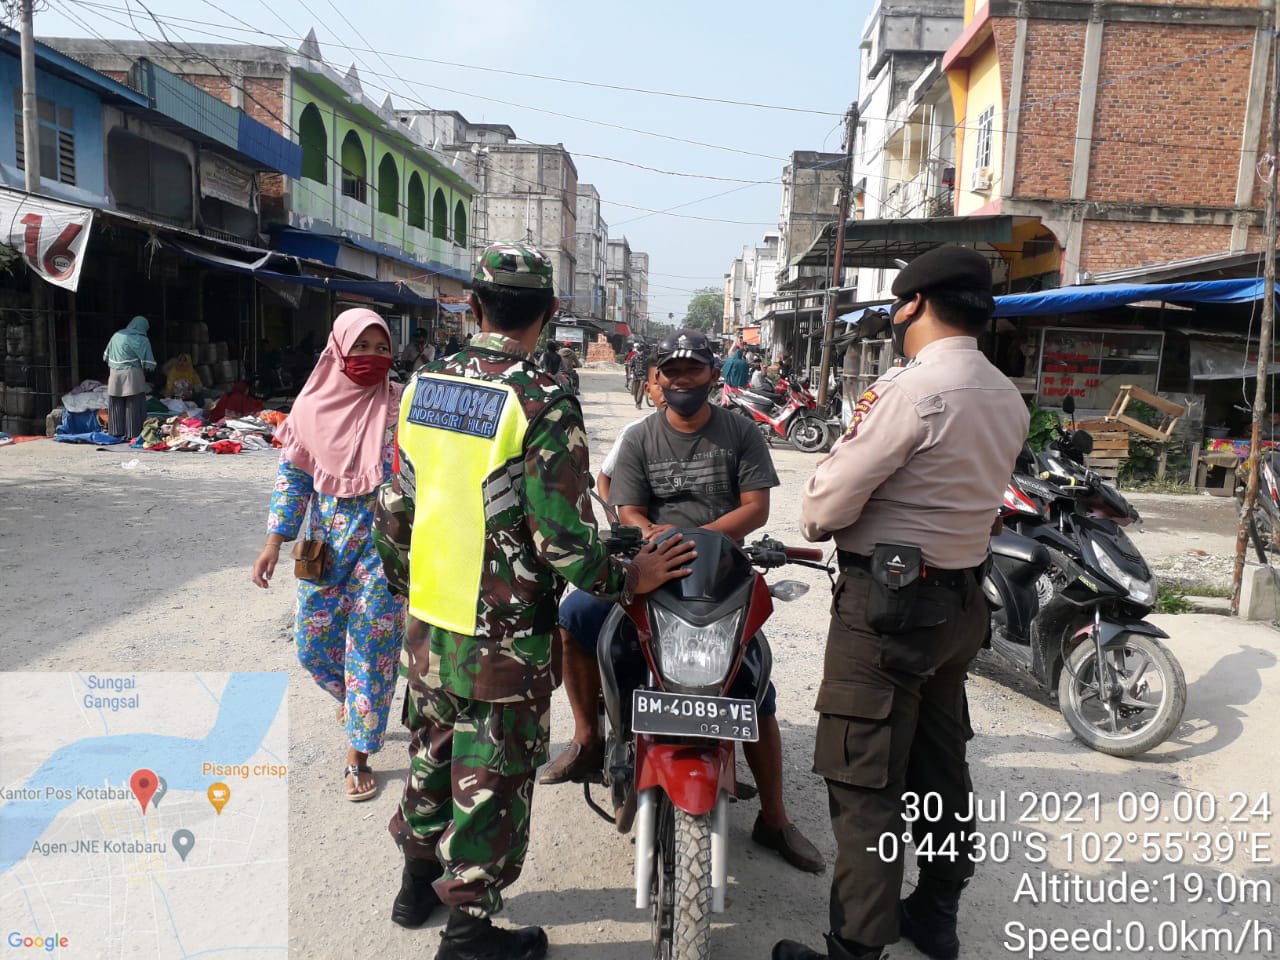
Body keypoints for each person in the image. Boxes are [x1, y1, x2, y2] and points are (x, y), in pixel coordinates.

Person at [373, 242, 695, 960]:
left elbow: (395, 507)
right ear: (549, 315)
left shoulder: (423, 387)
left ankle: (415, 885)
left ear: (474, 305)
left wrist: (408, 586)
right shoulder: (542, 398)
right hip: (504, 629)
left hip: (430, 613)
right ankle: (468, 933)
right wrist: (627, 579)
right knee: (490, 773)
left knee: (430, 750)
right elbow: (559, 537)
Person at [776, 247, 1030, 960]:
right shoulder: (1006, 395)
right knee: (940, 769)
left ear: (911, 306)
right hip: (958, 607)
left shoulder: (914, 391)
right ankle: (936, 915)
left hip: (886, 615)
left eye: (895, 308)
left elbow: (822, 508)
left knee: (866, 787)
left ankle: (856, 948)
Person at [540, 328, 826, 875]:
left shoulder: (741, 433)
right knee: (576, 616)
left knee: (753, 683)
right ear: (659, 381)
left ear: (712, 376)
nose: (681, 381)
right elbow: (626, 509)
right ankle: (587, 739)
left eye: (692, 371)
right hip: (650, 568)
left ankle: (776, 816)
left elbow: (756, 508)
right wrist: (651, 537)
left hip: (720, 573)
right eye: (672, 372)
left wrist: (702, 540)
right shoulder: (641, 438)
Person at [250, 309, 405, 804]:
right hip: (326, 546)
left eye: (383, 349)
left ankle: (358, 752)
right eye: (363, 347)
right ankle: (353, 697)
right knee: (312, 643)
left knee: (372, 647)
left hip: (386, 547)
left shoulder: (403, 406)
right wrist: (275, 541)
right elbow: (293, 479)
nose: (374, 358)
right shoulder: (309, 410)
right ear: (339, 349)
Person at [102, 315, 156, 440]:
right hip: (133, 375)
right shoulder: (142, 340)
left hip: (114, 374)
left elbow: (106, 356)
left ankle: (115, 432)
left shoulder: (116, 336)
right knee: (133, 404)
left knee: (116, 403)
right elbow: (149, 364)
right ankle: (133, 433)